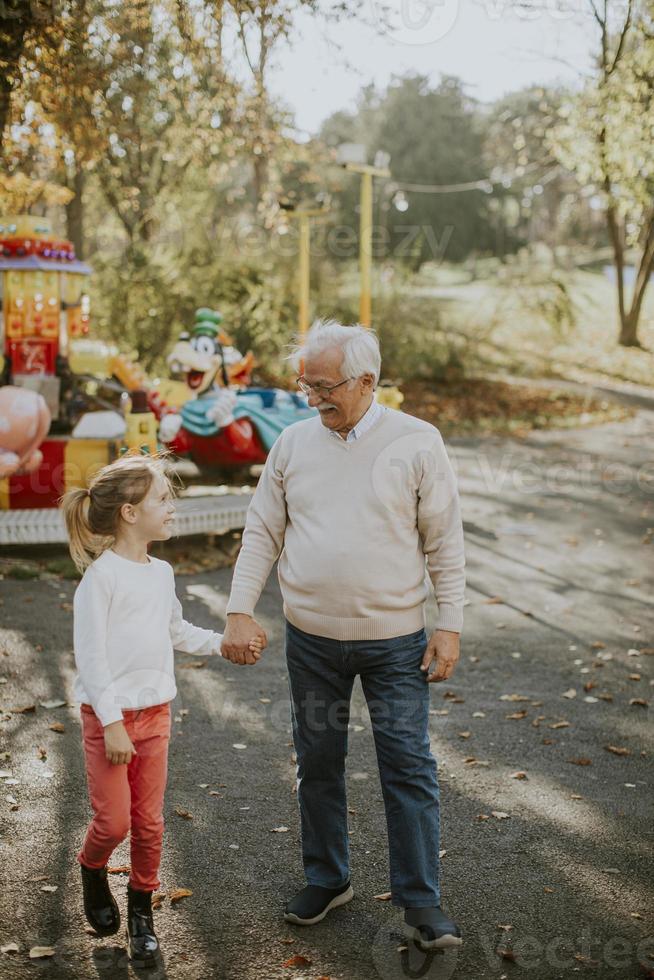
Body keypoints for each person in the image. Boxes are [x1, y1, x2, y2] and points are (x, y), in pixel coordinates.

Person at [221, 319, 466, 951]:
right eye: (306, 385)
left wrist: (451, 625)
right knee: (318, 762)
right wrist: (239, 609)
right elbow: (262, 531)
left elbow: (444, 541)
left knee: (407, 767)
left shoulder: (417, 442)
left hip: (395, 644)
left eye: (324, 386)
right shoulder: (294, 444)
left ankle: (420, 901)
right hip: (312, 642)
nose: (313, 398)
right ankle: (327, 879)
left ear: (366, 381)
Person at [60, 452, 265, 968]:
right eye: (162, 500)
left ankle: (142, 919)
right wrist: (110, 723)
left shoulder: (161, 572)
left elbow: (174, 630)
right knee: (113, 825)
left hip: (155, 717)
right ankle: (91, 867)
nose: (171, 508)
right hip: (108, 720)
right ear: (130, 513)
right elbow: (90, 657)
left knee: (149, 824)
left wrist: (223, 644)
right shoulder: (101, 579)